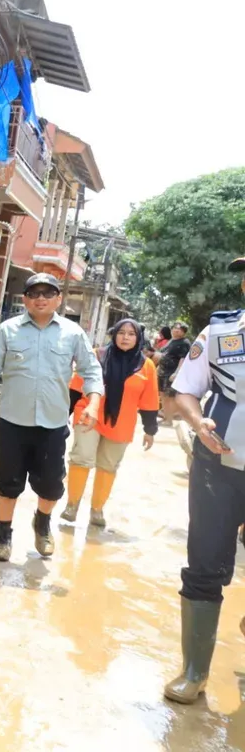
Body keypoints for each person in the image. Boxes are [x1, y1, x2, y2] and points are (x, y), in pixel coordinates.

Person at [163, 256, 245, 704]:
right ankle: (194, 672)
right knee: (205, 566)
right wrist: (197, 423)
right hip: (219, 469)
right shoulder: (219, 333)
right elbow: (186, 390)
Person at [0, 273, 104, 561]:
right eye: (34, 293)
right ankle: (3, 536)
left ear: (58, 299)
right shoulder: (7, 330)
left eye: (48, 293)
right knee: (7, 482)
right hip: (13, 421)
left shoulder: (73, 333)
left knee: (52, 484)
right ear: (25, 299)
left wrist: (92, 404)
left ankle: (42, 523)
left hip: (52, 423)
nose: (41, 298)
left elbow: (91, 371)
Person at [61, 318, 159, 528]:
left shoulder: (147, 366)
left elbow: (150, 400)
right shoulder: (97, 356)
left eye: (131, 334)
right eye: (121, 332)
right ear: (114, 334)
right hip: (89, 414)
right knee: (81, 457)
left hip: (121, 422)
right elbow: (76, 388)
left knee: (108, 465)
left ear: (138, 338)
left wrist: (150, 430)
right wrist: (63, 417)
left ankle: (97, 510)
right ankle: (72, 505)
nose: (125, 337)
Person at [158, 322, 192, 422]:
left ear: (184, 332)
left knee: (170, 397)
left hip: (171, 374)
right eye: (174, 328)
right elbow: (163, 355)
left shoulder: (184, 342)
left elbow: (183, 359)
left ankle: (169, 420)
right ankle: (166, 417)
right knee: (163, 395)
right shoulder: (171, 341)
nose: (176, 330)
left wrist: (177, 372)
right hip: (162, 373)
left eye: (180, 329)